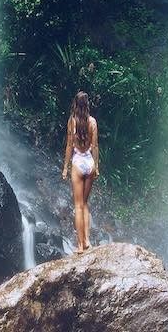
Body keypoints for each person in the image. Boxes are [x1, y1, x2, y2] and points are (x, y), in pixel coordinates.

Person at [61, 91, 99, 253]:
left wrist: (65, 167)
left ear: (75, 104)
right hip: (89, 162)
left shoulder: (72, 122)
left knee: (78, 206)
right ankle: (88, 240)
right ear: (87, 104)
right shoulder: (92, 122)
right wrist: (96, 166)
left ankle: (80, 245)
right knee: (85, 204)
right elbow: (95, 146)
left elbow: (70, 145)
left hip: (77, 162)